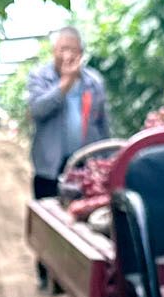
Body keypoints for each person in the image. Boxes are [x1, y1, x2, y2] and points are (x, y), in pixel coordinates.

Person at [26, 26, 114, 199]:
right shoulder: (40, 77)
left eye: (73, 50)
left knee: (83, 210)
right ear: (54, 51)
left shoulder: (94, 81)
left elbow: (103, 124)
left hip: (86, 167)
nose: (68, 56)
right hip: (50, 168)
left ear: (81, 53)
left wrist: (107, 160)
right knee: (49, 212)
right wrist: (65, 84)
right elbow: (37, 110)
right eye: (63, 49)